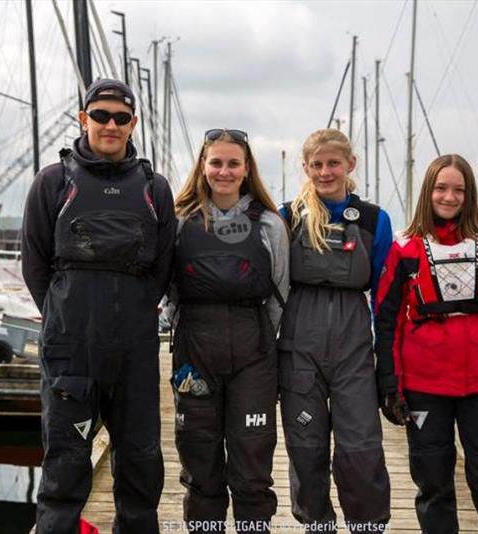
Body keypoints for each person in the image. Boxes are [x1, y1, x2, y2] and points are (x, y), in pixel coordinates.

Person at [22, 78, 176, 534]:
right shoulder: (52, 182)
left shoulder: (154, 186)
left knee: (141, 459)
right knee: (65, 464)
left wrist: (133, 311)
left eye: (121, 118)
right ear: (83, 118)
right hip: (71, 345)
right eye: (102, 115)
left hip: (134, 346)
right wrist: (62, 316)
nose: (111, 125)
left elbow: (162, 267)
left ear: (133, 124)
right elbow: (34, 263)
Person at [374, 154, 478, 534]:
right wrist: (389, 385)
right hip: (425, 386)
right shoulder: (405, 250)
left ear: (470, 194)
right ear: (428, 191)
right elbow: (387, 320)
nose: (449, 196)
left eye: (458, 189)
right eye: (441, 188)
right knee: (433, 484)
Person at [168, 128, 289, 533]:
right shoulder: (180, 221)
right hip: (194, 351)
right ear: (203, 166)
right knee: (199, 454)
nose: (224, 171)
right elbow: (168, 291)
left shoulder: (269, 224)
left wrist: (257, 339)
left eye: (233, 163)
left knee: (252, 456)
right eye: (216, 162)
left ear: (247, 168)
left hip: (253, 351)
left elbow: (278, 294)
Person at [278, 128, 393, 532]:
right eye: (317, 165)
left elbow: (385, 293)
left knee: (361, 448)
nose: (325, 172)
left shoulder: (374, 220)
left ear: (350, 165)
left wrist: (388, 359)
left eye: (333, 163)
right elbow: (271, 287)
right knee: (305, 447)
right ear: (306, 168)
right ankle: (316, 525)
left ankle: (368, 525)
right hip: (299, 345)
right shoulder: (287, 216)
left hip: (354, 345)